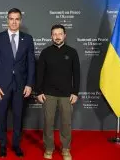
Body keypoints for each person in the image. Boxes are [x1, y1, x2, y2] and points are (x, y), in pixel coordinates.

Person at [0, 8, 35, 157]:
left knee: (18, 116)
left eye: (17, 19)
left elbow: (31, 63)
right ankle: (2, 145)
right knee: (1, 115)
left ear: (20, 21)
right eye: (11, 18)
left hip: (20, 85)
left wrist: (29, 84)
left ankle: (16, 144)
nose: (14, 22)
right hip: (2, 86)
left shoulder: (27, 39)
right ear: (7, 20)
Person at [36, 24, 80, 160]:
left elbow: (76, 74)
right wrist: (39, 91)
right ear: (51, 36)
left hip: (67, 95)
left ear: (64, 35)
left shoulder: (72, 52)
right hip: (48, 94)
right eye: (54, 34)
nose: (57, 37)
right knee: (48, 123)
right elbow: (40, 74)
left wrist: (75, 92)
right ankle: (49, 148)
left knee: (66, 123)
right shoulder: (45, 52)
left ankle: (65, 149)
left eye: (60, 34)